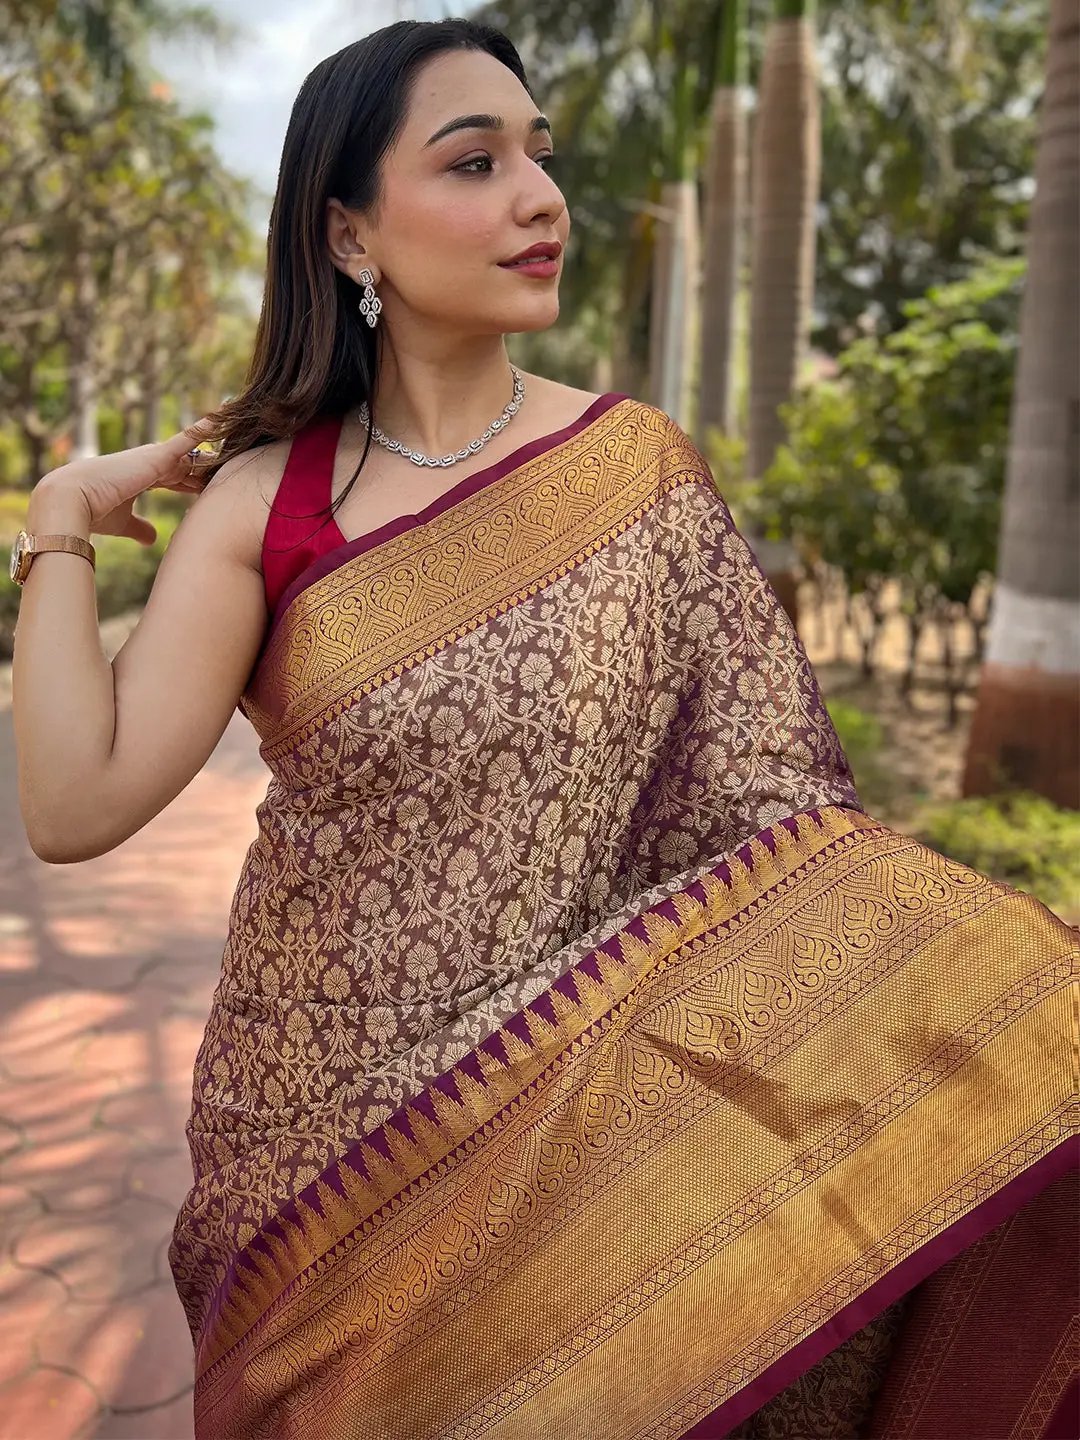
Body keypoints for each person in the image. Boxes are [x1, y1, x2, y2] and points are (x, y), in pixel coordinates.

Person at [11, 18, 1077, 1440]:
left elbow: (774, 814)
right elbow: (73, 805)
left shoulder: (633, 473)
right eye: (475, 161)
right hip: (318, 1156)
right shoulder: (271, 501)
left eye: (541, 156)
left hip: (580, 1146)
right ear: (349, 238)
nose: (540, 196)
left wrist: (988, 1001)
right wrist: (59, 527)